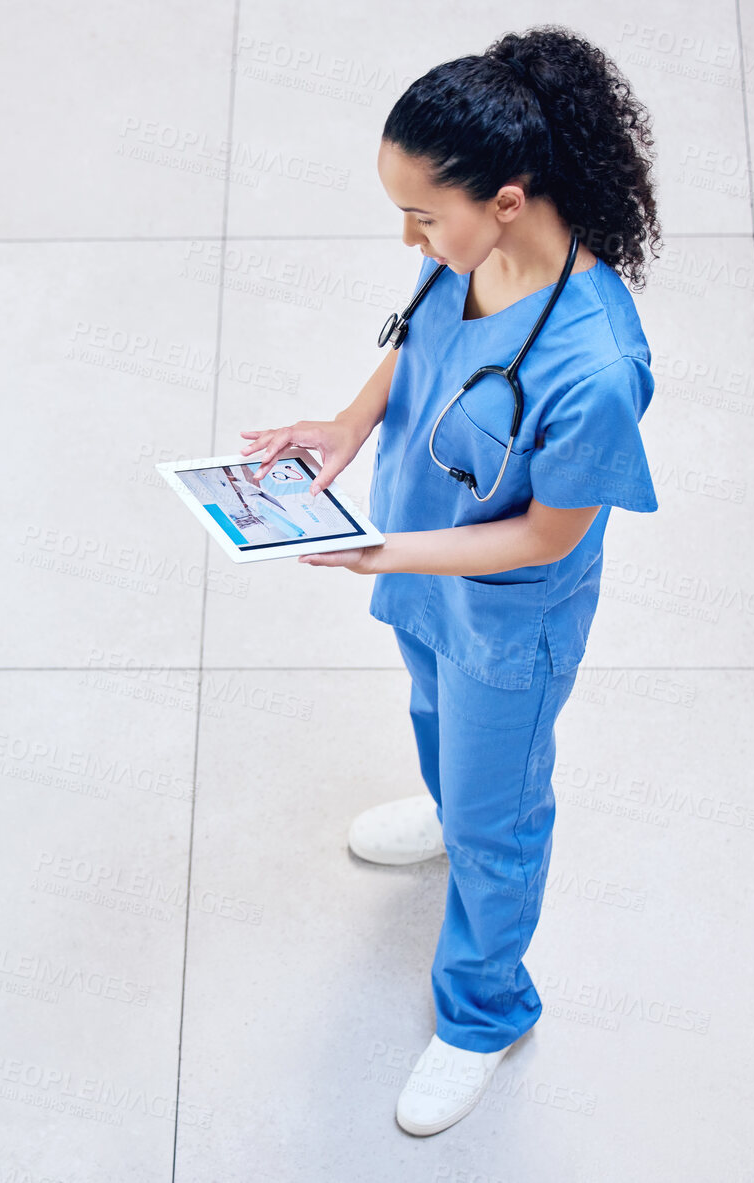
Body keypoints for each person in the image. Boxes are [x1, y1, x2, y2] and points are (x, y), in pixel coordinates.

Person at [238, 25, 662, 1138]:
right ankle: (449, 805)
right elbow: (416, 342)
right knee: (433, 714)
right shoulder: (462, 258)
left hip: (504, 614)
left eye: (426, 214)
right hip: (428, 567)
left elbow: (546, 539)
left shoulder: (595, 364)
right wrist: (345, 425)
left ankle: (486, 1014)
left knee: (501, 818)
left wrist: (385, 551)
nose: (412, 237)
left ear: (510, 200)